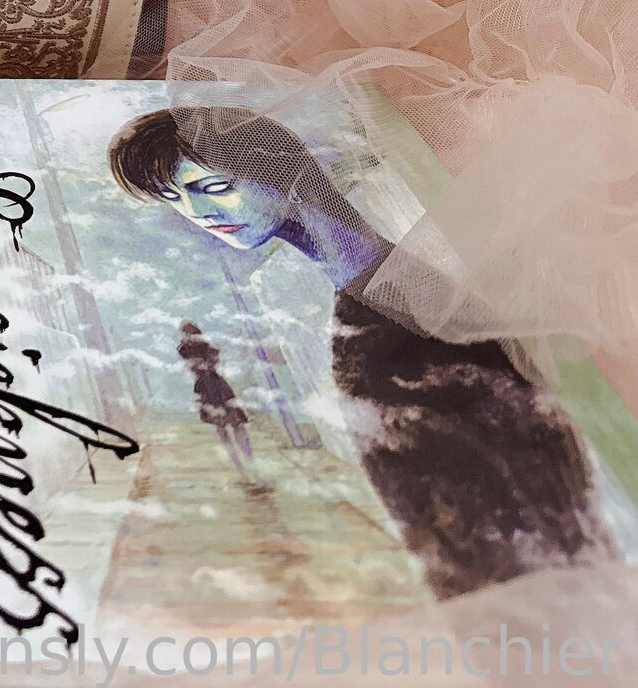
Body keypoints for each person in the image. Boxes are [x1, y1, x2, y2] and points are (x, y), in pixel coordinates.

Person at [109, 106, 619, 598]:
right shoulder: (378, 296)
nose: (198, 213)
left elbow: (522, 476)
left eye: (216, 187)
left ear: (280, 171)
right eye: (176, 199)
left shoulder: (402, 307)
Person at [177, 321, 262, 489]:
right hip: (209, 388)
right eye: (187, 334)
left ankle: (249, 471)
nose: (188, 336)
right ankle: (246, 472)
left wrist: (205, 363)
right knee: (227, 428)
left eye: (189, 333)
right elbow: (203, 363)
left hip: (215, 388)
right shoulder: (188, 349)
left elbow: (209, 362)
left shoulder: (201, 348)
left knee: (232, 427)